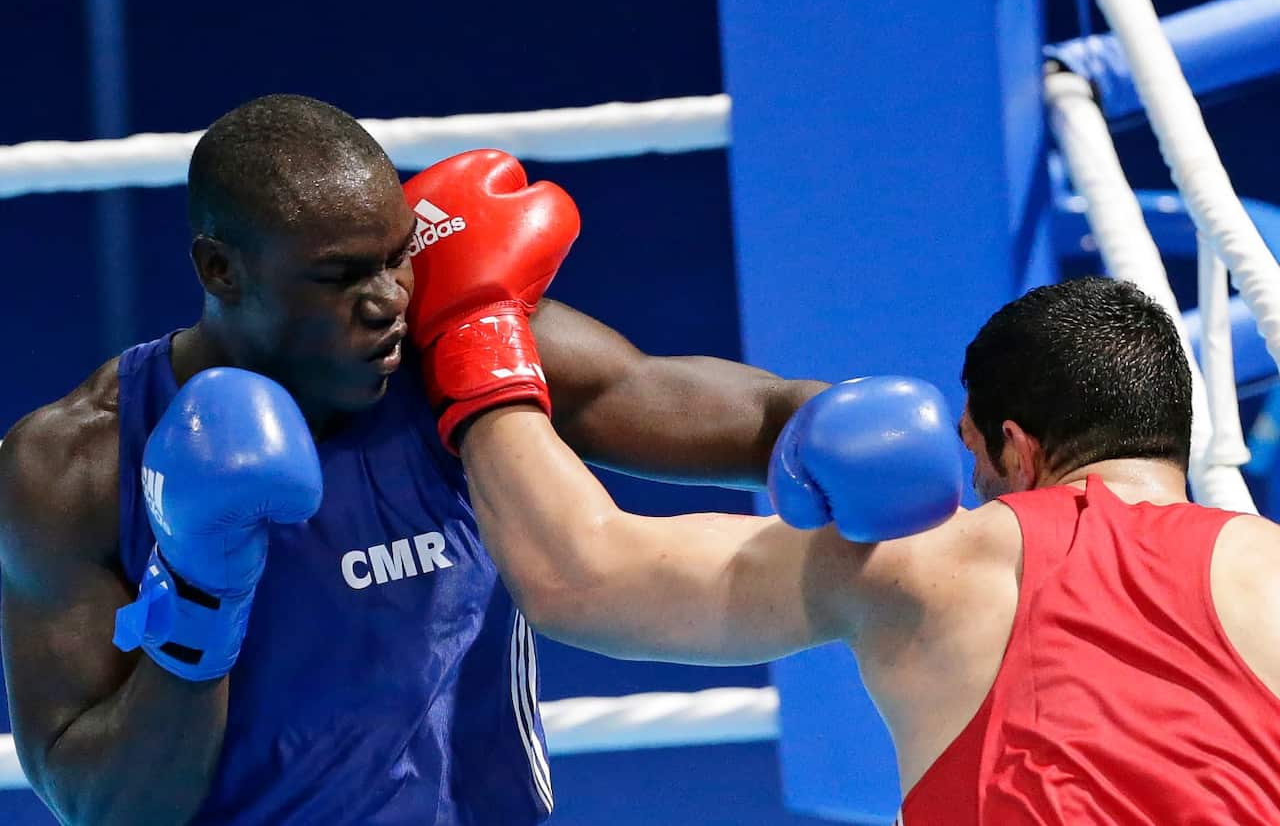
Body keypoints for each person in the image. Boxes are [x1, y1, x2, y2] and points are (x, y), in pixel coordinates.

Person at [0, 95, 827, 825]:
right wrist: (198, 604)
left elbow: (725, 412)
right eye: (339, 276)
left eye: (396, 255)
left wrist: (835, 424)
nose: (389, 298)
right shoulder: (77, 465)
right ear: (220, 269)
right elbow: (97, 803)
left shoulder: (451, 347)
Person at [444, 231, 1280, 825]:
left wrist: (475, 344)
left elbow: (586, 577)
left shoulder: (931, 554)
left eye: (976, 458)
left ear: (1016, 450)